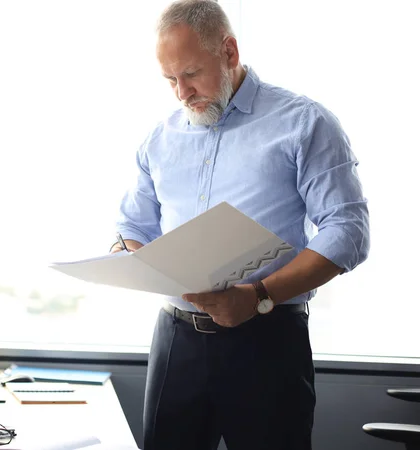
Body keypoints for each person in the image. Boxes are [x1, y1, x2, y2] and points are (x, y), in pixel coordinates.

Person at [110, 1, 370, 449]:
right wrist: (127, 257)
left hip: (268, 341)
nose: (181, 93)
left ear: (229, 52)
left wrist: (258, 297)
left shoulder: (305, 122)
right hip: (176, 341)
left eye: (190, 74)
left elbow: (347, 229)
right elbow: (133, 226)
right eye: (170, 80)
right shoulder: (160, 138)